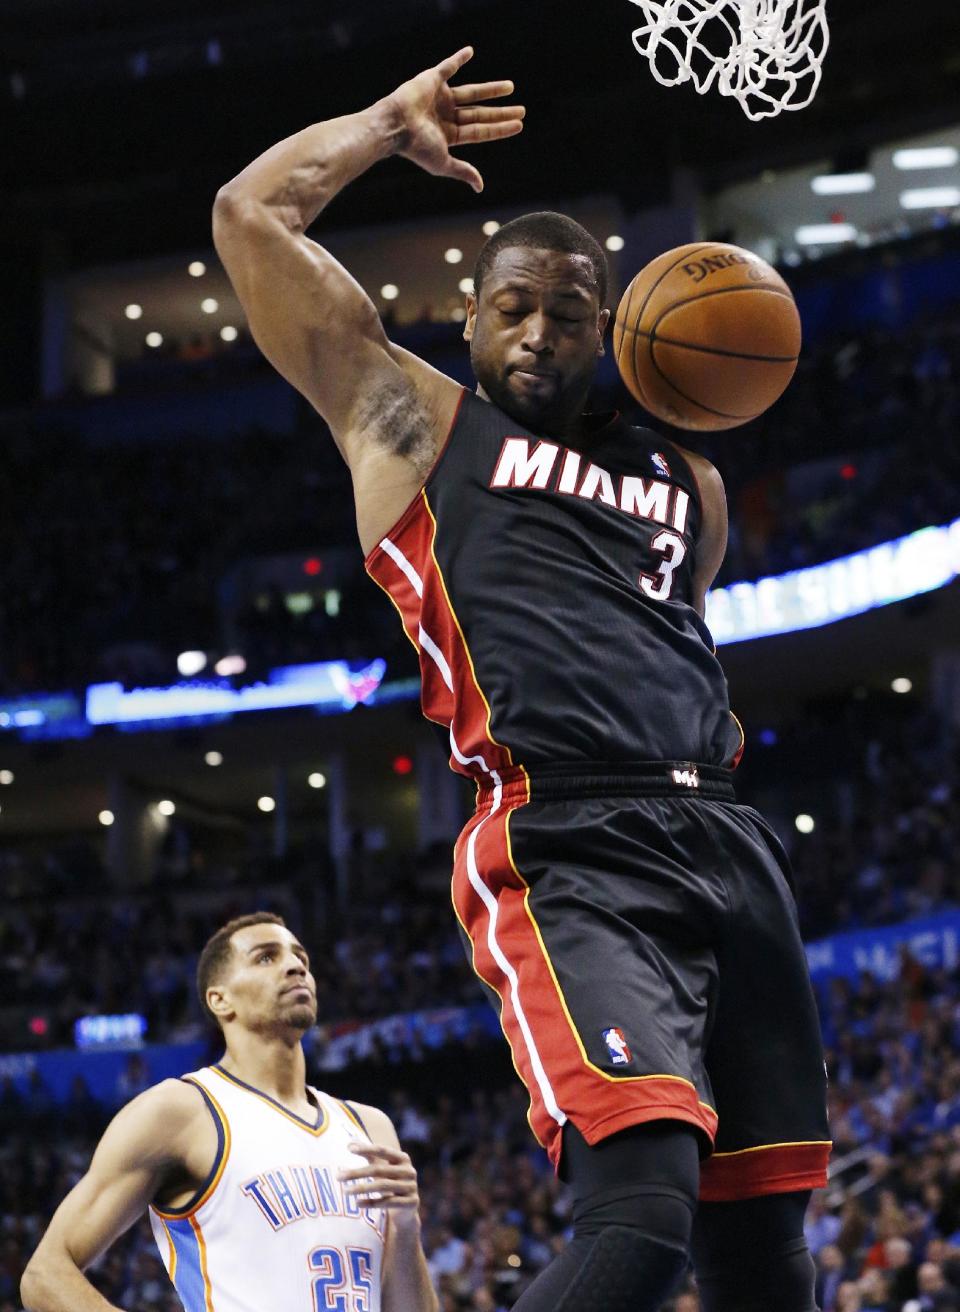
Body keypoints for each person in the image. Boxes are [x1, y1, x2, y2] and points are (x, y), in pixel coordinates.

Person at [212, 46, 831, 1312]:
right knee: (643, 1215)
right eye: (513, 308)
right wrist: (386, 126)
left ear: (609, 326)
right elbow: (246, 218)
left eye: (569, 311)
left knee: (766, 1252)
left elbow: (680, 648)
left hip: (724, 833)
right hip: (565, 840)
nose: (541, 333)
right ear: (473, 316)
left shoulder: (689, 484)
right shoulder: (412, 422)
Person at [20, 912, 435, 1312]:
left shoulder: (371, 1128)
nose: (294, 967)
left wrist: (406, 1230)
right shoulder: (181, 1112)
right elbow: (45, 1275)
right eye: (266, 957)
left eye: (300, 958)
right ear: (220, 1000)